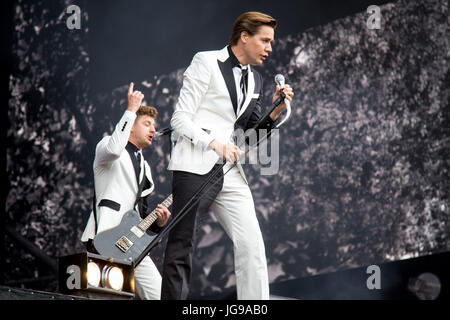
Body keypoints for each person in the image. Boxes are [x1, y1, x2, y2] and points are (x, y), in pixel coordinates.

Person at [162, 11, 294, 300]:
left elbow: (250, 136)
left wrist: (275, 111)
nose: (270, 48)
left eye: (271, 42)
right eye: (265, 41)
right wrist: (215, 144)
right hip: (195, 165)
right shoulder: (205, 61)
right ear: (244, 37)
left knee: (252, 245)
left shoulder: (257, 80)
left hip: (230, 172)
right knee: (182, 245)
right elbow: (179, 120)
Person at [81, 82, 171, 300]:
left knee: (160, 294)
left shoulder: (145, 167)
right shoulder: (107, 147)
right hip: (106, 237)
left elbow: (141, 214)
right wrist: (131, 110)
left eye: (153, 125)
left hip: (132, 242)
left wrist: (158, 224)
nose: (153, 129)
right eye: (147, 124)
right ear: (130, 126)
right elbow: (114, 148)